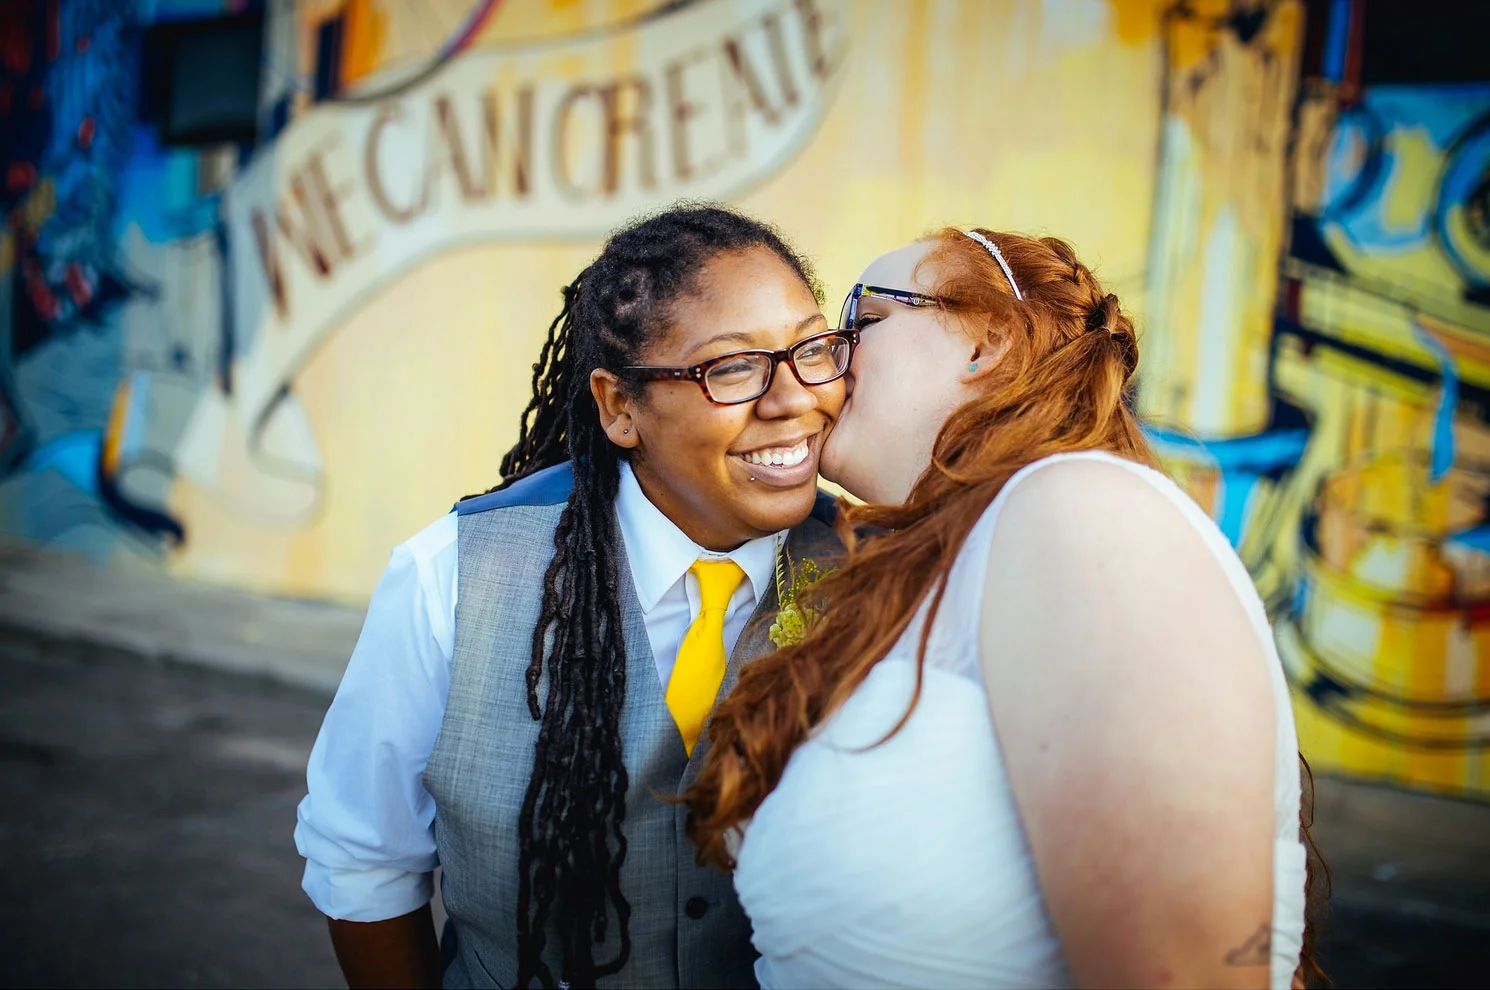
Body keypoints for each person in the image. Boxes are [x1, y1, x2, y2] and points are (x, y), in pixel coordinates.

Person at [687, 228, 1326, 989]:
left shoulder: (1078, 510)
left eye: (863, 321)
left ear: (985, 343)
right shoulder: (940, 563)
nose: (827, 362)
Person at [294, 205, 851, 989]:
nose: (795, 397)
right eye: (731, 368)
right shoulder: (457, 577)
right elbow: (363, 861)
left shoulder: (878, 573)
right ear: (620, 407)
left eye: (812, 348)